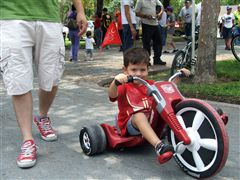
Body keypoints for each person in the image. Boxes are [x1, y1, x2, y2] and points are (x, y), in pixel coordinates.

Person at [0, 0, 87, 168]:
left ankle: (42, 116)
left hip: (49, 17)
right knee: (18, 79)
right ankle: (28, 140)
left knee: (52, 77)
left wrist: (80, 10)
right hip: (10, 16)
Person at [108, 47, 190, 164]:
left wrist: (178, 76)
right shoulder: (123, 86)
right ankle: (159, 146)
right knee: (139, 115)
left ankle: (201, 116)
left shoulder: (150, 84)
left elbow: (169, 89)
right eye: (134, 70)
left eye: (142, 70)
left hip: (152, 120)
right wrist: (115, 82)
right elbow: (112, 95)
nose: (138, 74)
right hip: (130, 125)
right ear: (125, 70)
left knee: (170, 104)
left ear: (148, 69)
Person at [135, 0, 166, 65]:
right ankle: (147, 61)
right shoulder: (140, 1)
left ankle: (157, 59)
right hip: (146, 24)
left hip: (155, 24)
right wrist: (145, 15)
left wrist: (160, 14)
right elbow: (136, 13)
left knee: (158, 43)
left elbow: (162, 7)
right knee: (146, 44)